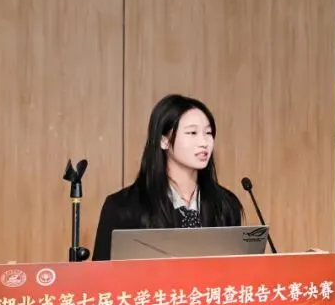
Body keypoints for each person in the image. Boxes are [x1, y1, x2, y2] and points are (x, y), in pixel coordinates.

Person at [92, 94, 244, 261]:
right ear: (163, 140)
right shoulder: (123, 207)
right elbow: (102, 273)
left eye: (208, 133)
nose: (204, 142)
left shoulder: (225, 205)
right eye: (192, 132)